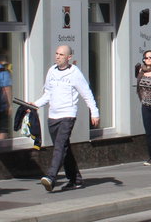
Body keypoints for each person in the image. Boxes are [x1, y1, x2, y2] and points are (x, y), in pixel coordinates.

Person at [31, 44, 100, 192]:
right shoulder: (51, 71)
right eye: (56, 53)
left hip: (68, 115)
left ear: (69, 57)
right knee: (64, 148)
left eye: (61, 55)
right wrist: (35, 105)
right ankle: (76, 179)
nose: (57, 56)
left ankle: (51, 177)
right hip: (53, 116)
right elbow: (48, 93)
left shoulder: (75, 73)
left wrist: (94, 112)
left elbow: (86, 93)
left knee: (59, 146)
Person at [0, 51, 13, 141]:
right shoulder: (2, 70)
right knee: (2, 130)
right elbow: (6, 89)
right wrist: (9, 105)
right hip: (0, 107)